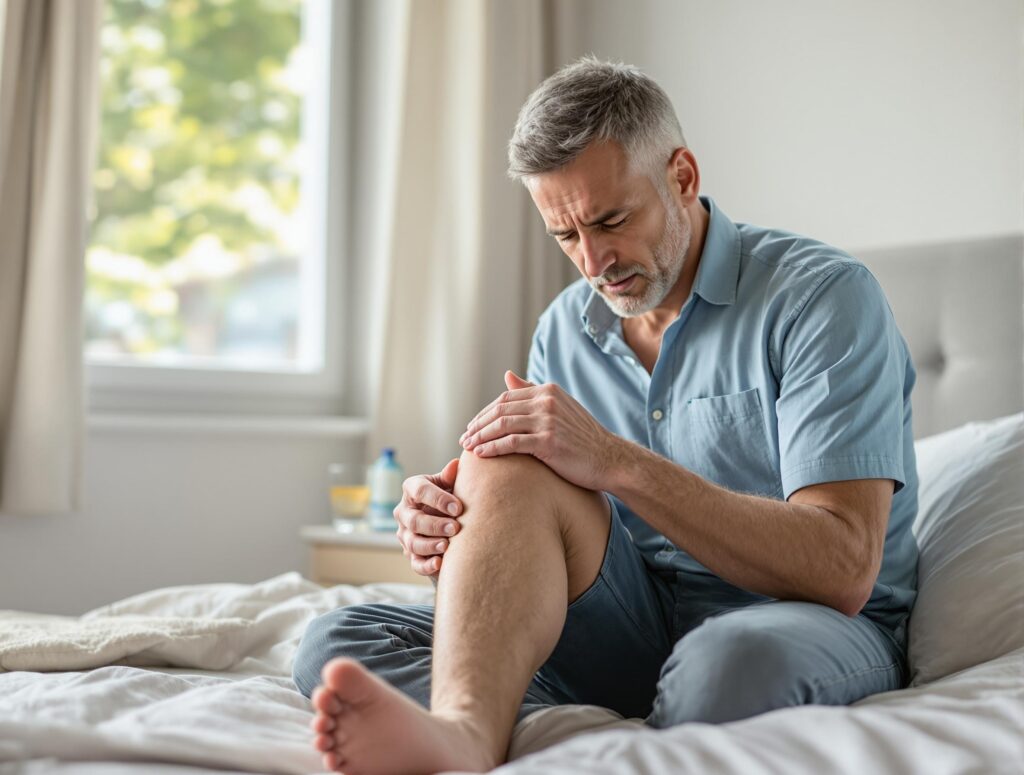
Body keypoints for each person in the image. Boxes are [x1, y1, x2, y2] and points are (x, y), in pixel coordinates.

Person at [291, 56, 918, 775]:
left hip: (808, 621)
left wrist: (615, 459)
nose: (594, 261)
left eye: (611, 220)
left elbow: (841, 567)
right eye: (565, 236)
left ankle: (565, 718)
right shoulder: (566, 327)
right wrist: (449, 523)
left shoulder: (821, 300)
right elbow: (543, 532)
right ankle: (466, 728)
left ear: (682, 177)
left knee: (727, 663)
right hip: (629, 620)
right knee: (335, 642)